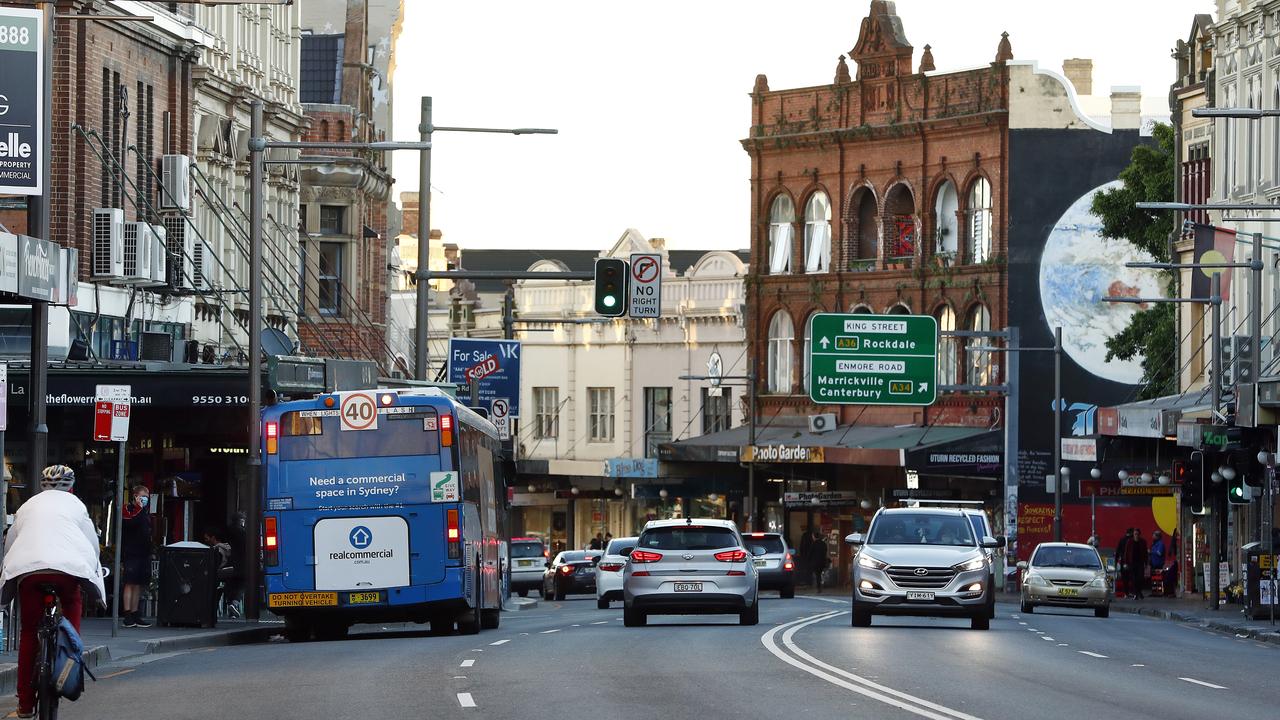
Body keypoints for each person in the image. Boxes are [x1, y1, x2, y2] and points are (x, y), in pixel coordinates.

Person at [0, 465, 106, 718]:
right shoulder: (77, 506)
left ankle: (25, 704)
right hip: (68, 571)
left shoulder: (27, 506)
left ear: (41, 486)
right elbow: (92, 545)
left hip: (29, 571)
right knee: (72, 607)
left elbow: (10, 543)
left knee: (28, 632)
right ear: (71, 487)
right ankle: (70, 661)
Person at [121, 484, 153, 628]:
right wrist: (139, 508)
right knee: (130, 582)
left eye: (147, 497)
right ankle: (127, 613)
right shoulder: (128, 509)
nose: (145, 500)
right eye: (142, 497)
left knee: (138, 583)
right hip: (131, 551)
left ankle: (135, 613)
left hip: (143, 551)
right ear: (135, 496)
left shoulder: (145, 512)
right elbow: (130, 523)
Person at [1126, 528, 1148, 600]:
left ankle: (1139, 591)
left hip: (1140, 562)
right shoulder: (1130, 542)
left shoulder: (1143, 542)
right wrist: (1126, 562)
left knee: (1140, 578)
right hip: (1132, 562)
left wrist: (1146, 562)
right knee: (1134, 578)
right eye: (1135, 534)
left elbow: (1145, 553)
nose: (1136, 536)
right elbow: (1127, 552)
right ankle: (1136, 593)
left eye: (1137, 534)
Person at [1114, 528, 1133, 595]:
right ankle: (1130, 592)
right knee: (1130, 577)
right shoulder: (1132, 540)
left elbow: (1118, 551)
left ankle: (1126, 592)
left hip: (1123, 561)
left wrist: (1116, 561)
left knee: (1124, 577)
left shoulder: (1122, 540)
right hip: (1130, 562)